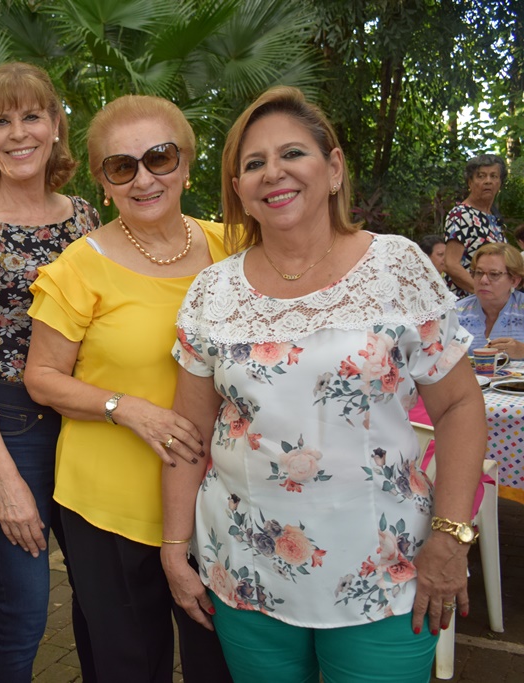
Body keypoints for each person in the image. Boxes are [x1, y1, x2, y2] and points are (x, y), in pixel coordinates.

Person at [165, 86, 485, 683]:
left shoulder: (397, 266)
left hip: (386, 572)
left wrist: (451, 536)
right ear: (239, 190)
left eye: (292, 153)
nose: (273, 173)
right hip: (247, 570)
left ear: (334, 168)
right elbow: (189, 434)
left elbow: (462, 404)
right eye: (253, 164)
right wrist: (173, 547)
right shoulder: (213, 290)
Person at [24, 95, 233, 683]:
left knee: (217, 661)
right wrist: (125, 408)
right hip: (108, 505)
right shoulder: (79, 267)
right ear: (104, 183)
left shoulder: (233, 249)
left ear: (187, 164)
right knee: (129, 666)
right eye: (122, 167)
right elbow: (40, 377)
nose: (144, 178)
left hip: (215, 500)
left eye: (159, 158)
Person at [0, 62, 98, 683]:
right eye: (0, 121)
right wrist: (5, 479)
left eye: (32, 116)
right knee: (28, 609)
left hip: (84, 426)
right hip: (11, 432)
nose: (18, 133)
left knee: (99, 599)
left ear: (57, 125)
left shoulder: (85, 219)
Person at [443, 153, 508, 297]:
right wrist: (485, 293)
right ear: (470, 183)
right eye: (481, 176)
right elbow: (450, 264)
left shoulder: (494, 218)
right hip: (467, 305)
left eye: (494, 176)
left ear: (500, 183)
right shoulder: (461, 214)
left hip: (492, 305)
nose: (488, 181)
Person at [455, 242, 524, 358]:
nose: (483, 280)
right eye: (479, 272)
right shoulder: (457, 312)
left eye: (494, 274)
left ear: (514, 280)